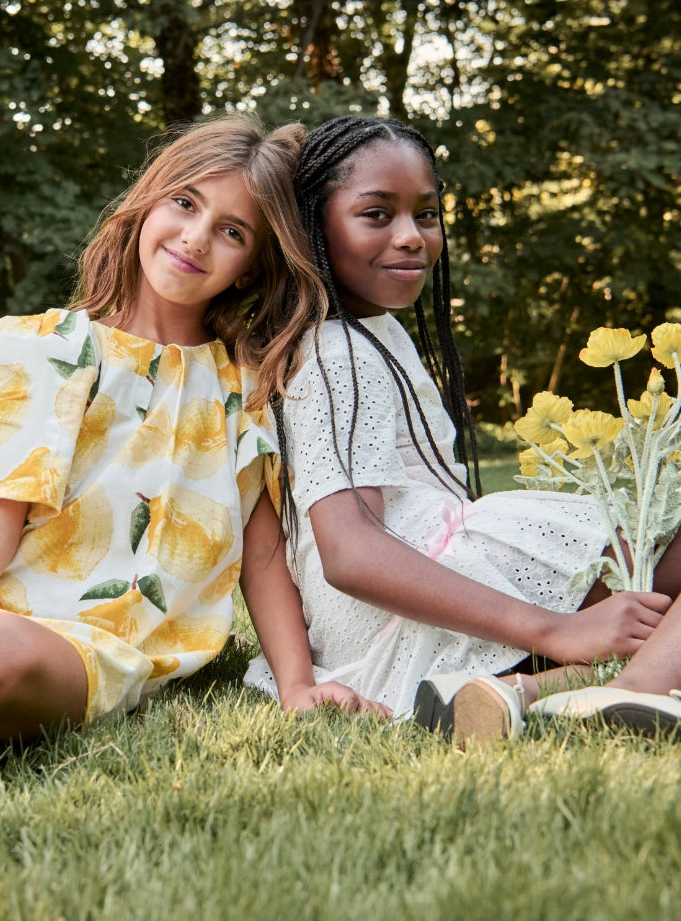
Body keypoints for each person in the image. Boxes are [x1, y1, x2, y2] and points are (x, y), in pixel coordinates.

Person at [0, 114, 383, 775]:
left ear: (253, 267)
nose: (195, 238)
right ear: (146, 205)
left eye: (231, 231)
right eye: (185, 203)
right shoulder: (41, 345)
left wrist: (296, 684)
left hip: (87, 634)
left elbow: (261, 552)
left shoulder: (244, 389)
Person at [241, 114, 681, 745]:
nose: (412, 236)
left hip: (417, 585)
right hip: (394, 617)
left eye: (426, 213)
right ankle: (629, 690)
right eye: (376, 214)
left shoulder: (366, 331)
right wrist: (551, 630)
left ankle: (531, 691)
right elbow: (349, 553)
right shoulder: (334, 355)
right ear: (312, 226)